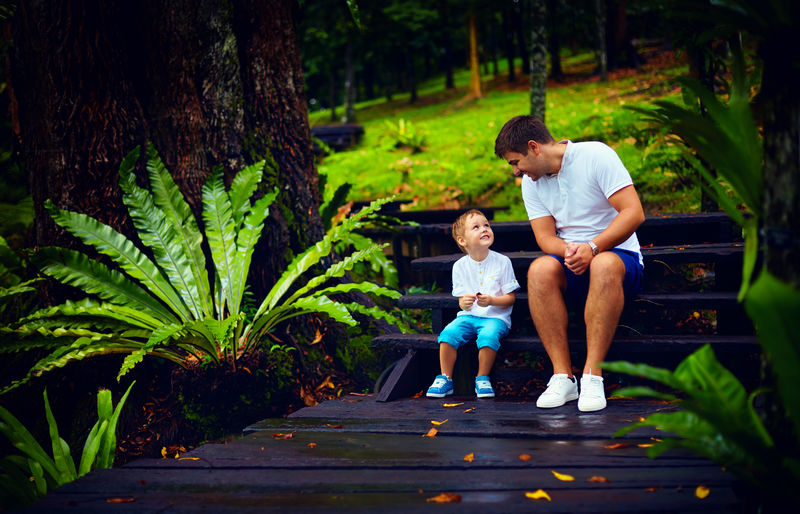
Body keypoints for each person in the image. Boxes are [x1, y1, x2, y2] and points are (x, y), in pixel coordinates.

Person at [494, 115, 645, 412]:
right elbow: (544, 236)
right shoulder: (531, 182)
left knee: (602, 265)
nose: (515, 171)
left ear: (534, 147)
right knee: (539, 270)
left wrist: (593, 247)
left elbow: (633, 213)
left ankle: (592, 376)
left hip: (619, 258)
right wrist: (571, 252)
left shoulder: (595, 156)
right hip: (572, 261)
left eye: (515, 162)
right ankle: (563, 377)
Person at [426, 209, 520, 399]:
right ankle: (445, 378)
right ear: (462, 240)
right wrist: (465, 303)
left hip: (495, 318)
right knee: (448, 334)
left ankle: (482, 377)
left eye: (486, 225)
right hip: (469, 316)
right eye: (476, 227)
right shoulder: (460, 266)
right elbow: (462, 302)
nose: (484, 229)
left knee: (488, 335)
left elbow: (510, 298)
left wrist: (492, 300)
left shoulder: (502, 262)